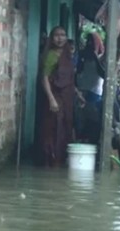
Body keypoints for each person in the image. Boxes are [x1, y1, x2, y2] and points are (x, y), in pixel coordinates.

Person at [36, 26, 84, 167]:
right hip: (55, 96)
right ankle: (51, 160)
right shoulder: (51, 55)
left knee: (66, 127)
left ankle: (61, 159)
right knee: (53, 129)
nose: (60, 38)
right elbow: (44, 78)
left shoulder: (68, 54)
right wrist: (51, 99)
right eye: (57, 35)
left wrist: (78, 94)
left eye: (63, 35)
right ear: (52, 37)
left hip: (67, 97)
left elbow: (68, 78)